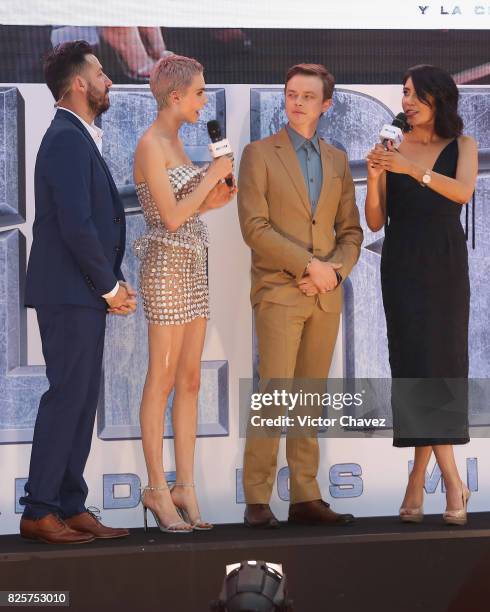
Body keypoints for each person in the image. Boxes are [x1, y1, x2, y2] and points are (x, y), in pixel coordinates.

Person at [20, 41, 136, 544]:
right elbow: (76, 225)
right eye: (101, 72)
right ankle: (40, 508)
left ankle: (69, 503)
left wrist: (107, 287)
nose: (109, 80)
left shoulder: (78, 136)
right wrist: (110, 288)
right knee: (68, 396)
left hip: (79, 291)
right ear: (79, 84)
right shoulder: (67, 138)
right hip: (70, 292)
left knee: (82, 399)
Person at [238, 63, 363, 528]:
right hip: (278, 290)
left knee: (310, 396)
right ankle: (256, 499)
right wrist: (307, 265)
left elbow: (351, 231)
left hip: (325, 294)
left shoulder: (335, 159)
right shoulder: (258, 154)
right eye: (292, 93)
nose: (297, 102)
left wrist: (333, 272)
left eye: (308, 96)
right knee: (274, 395)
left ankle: (305, 496)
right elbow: (254, 227)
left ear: (325, 104)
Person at [365, 65, 478, 526]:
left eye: (415, 94)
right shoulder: (391, 147)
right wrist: (375, 174)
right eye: (404, 93)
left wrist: (411, 169)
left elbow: (462, 192)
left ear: (438, 98)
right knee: (412, 369)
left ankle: (423, 478)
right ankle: (450, 481)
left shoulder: (461, 146)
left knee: (441, 366)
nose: (406, 101)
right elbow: (375, 221)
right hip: (402, 265)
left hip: (445, 264)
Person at [133, 55, 236, 533]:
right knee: (164, 376)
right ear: (175, 97)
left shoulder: (175, 141)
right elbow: (170, 217)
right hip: (166, 268)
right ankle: (156, 487)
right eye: (199, 92)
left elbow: (190, 210)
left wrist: (214, 194)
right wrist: (210, 178)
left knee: (191, 379)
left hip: (194, 264)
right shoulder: (150, 144)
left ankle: (185, 486)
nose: (203, 101)